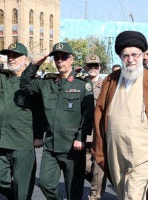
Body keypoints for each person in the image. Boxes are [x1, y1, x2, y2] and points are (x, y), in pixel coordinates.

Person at [92, 30, 148, 200]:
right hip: (115, 153)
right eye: (126, 55)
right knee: (123, 195)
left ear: (143, 54)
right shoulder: (110, 81)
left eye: (135, 55)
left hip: (143, 154)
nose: (130, 59)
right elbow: (99, 115)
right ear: (120, 56)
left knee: (134, 196)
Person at [20, 42, 95, 200]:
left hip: (73, 147)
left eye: (64, 57)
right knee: (46, 184)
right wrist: (35, 65)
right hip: (51, 145)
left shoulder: (83, 85)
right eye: (56, 58)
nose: (60, 61)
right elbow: (25, 84)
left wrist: (81, 137)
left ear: (71, 59)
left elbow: (88, 114)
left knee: (73, 190)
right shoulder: (47, 83)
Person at [0, 42, 44, 199]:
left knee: (22, 185)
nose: (11, 59)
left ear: (25, 59)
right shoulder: (2, 78)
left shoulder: (35, 82)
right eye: (9, 56)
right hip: (2, 140)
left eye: (15, 56)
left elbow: (40, 112)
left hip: (23, 141)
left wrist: (39, 135)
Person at [83, 54, 108, 200]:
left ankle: (95, 196)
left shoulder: (106, 85)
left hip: (99, 134)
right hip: (82, 134)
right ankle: (101, 180)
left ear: (100, 67)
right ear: (85, 67)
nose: (93, 68)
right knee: (84, 167)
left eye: (95, 66)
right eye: (90, 65)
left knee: (98, 166)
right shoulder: (79, 84)